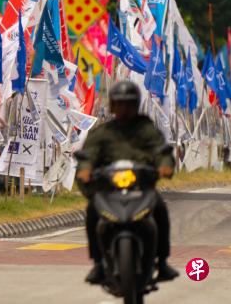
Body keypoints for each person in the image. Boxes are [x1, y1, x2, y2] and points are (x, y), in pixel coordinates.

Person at [76, 81, 179, 284]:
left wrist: (165, 165)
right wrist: (86, 169)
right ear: (113, 106)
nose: (124, 109)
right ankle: (98, 263)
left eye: (129, 104)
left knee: (159, 208)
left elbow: (161, 151)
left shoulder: (147, 129)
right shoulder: (103, 132)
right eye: (120, 104)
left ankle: (163, 262)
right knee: (92, 212)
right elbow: (88, 154)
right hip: (109, 188)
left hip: (141, 187)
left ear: (136, 105)